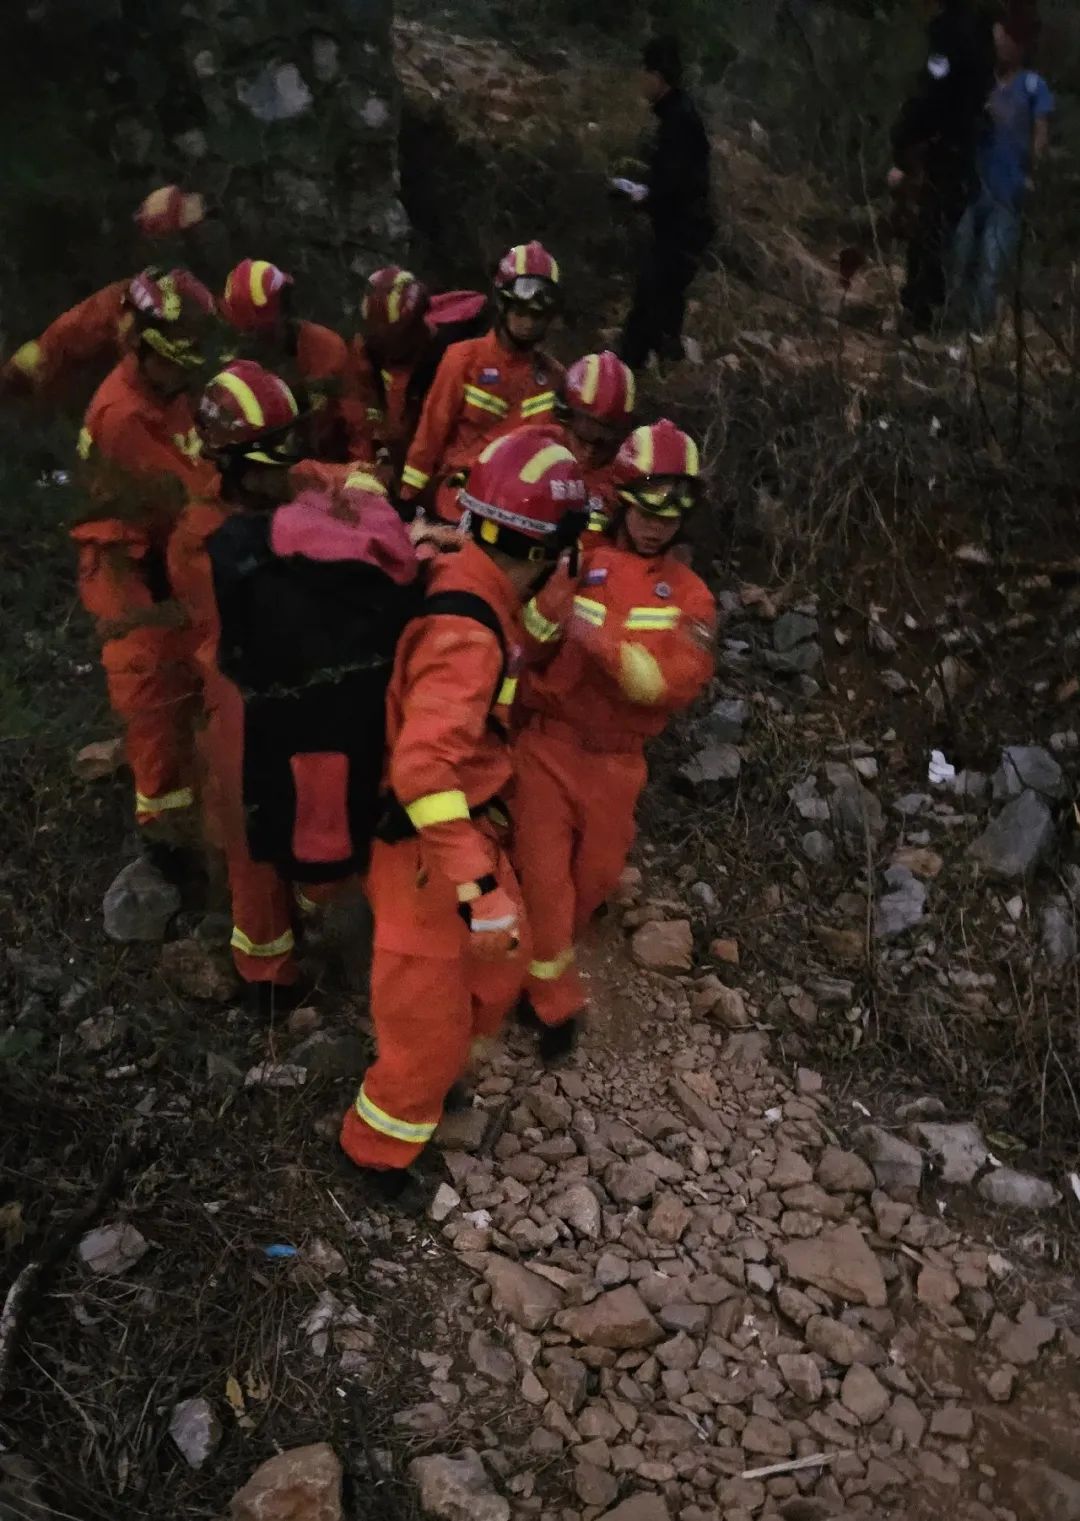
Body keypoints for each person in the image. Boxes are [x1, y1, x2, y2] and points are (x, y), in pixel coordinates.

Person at [339, 427, 589, 1205]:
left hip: (453, 834)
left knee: (487, 976)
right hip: (427, 852)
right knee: (427, 1018)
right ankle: (375, 1154)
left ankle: (423, 1088)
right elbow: (421, 765)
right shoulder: (469, 630)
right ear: (551, 549)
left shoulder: (466, 577)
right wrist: (476, 884)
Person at [512, 420, 716, 1062]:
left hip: (617, 764)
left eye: (671, 516)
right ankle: (547, 1000)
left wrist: (593, 639)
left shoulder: (692, 598)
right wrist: (554, 605)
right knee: (545, 880)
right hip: (546, 746)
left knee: (593, 879)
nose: (656, 527)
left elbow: (661, 683)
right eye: (647, 510)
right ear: (623, 499)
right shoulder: (580, 559)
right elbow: (529, 643)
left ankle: (541, 958)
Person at [72, 268, 218, 845]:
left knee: (195, 679)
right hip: (125, 570)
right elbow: (196, 493)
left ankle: (199, 820)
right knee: (154, 697)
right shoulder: (124, 416)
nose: (186, 373)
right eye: (176, 360)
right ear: (145, 347)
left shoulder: (166, 388)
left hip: (160, 553)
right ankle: (165, 847)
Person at [397, 242, 564, 524]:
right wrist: (408, 498)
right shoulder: (463, 359)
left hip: (521, 510)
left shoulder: (554, 377)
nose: (529, 323)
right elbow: (430, 436)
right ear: (503, 304)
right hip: (459, 501)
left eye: (538, 316)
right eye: (521, 311)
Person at [2, 187, 207, 399]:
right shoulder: (134, 309)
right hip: (58, 378)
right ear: (169, 240)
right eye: (187, 231)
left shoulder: (159, 288)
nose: (197, 234)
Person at [889, 0, 995, 333]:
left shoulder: (951, 32)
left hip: (948, 148)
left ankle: (922, 311)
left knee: (931, 229)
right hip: (963, 148)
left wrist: (905, 136)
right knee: (940, 228)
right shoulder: (977, 30)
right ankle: (934, 308)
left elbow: (934, 92)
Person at [951, 7, 1052, 335]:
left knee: (991, 263)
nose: (999, 47)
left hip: (1008, 189)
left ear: (1018, 45)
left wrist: (1031, 173)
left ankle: (978, 333)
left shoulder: (1033, 84)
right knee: (960, 255)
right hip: (973, 183)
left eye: (1004, 40)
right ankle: (954, 326)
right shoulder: (981, 80)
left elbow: (1040, 131)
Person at [615, 36, 712, 371]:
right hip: (681, 231)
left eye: (645, 73)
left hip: (679, 233)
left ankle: (623, 374)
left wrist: (645, 197)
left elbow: (677, 184)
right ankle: (664, 368)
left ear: (658, 75)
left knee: (647, 307)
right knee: (664, 307)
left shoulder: (678, 120)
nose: (641, 81)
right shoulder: (679, 114)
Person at [349, 266, 487, 480]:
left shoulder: (450, 356)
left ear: (416, 325)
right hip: (392, 461)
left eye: (395, 335)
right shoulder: (369, 354)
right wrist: (380, 452)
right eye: (379, 335)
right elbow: (367, 408)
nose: (388, 345)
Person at [220, 258, 367, 460]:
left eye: (253, 331)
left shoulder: (328, 351)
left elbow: (357, 426)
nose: (249, 341)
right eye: (243, 333)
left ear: (283, 311)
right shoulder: (235, 371)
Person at [550, 351, 636, 541]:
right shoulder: (533, 448)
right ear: (566, 420)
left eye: (603, 444)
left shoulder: (625, 480)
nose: (590, 452)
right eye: (583, 438)